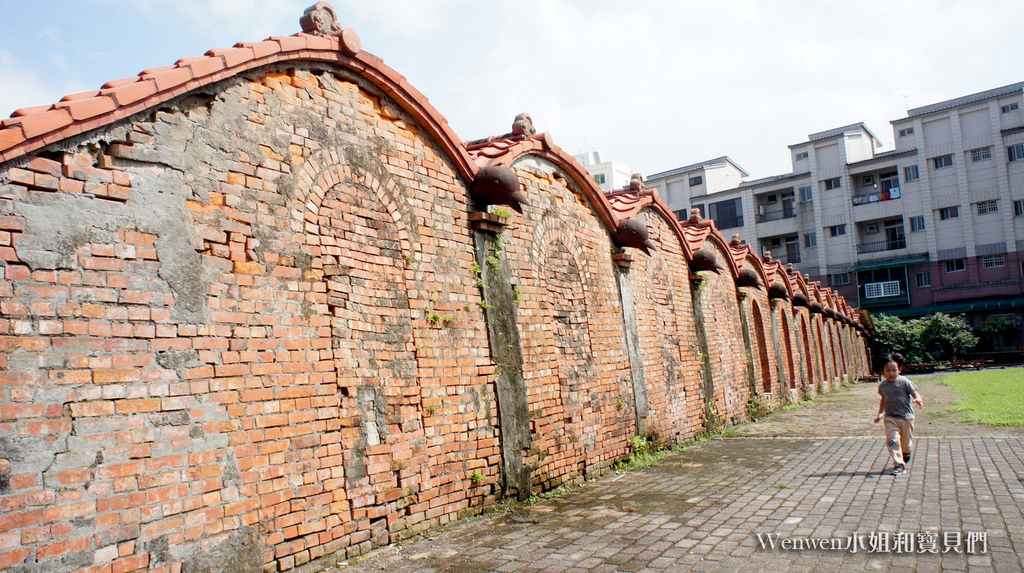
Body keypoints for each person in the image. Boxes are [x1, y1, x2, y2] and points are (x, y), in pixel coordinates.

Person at [873, 353, 923, 475]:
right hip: (890, 418)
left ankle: (906, 452)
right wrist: (881, 413)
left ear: (899, 370)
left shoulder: (905, 382)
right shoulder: (883, 386)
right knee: (893, 440)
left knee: (905, 444)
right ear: (883, 372)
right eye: (888, 371)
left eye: (894, 370)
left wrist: (918, 399)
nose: (891, 373)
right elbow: (884, 400)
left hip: (906, 417)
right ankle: (899, 464)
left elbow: (914, 393)